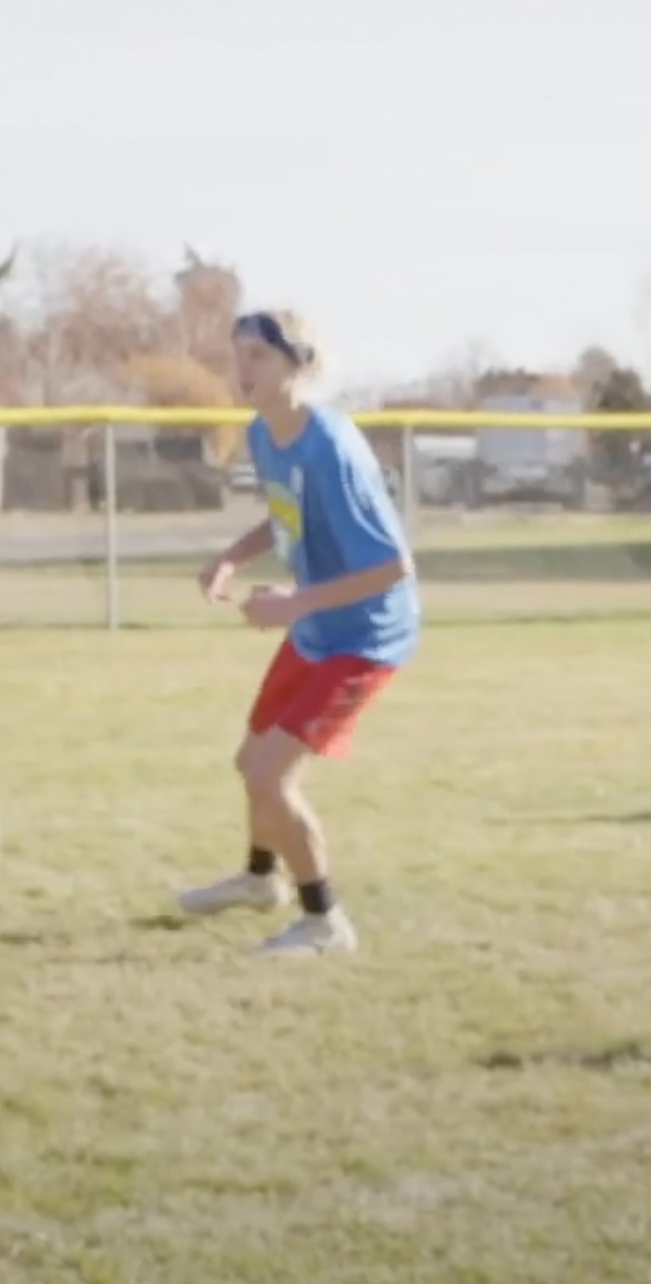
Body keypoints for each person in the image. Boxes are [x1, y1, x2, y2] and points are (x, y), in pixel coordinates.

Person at [174, 309, 421, 956]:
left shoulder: (332, 447)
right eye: (240, 354)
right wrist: (232, 556)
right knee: (248, 763)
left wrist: (295, 603)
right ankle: (261, 881)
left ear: (298, 364)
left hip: (364, 636)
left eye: (258, 355)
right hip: (316, 624)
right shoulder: (264, 434)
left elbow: (394, 567)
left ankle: (324, 922)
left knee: (270, 778)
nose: (243, 368)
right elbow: (285, 520)